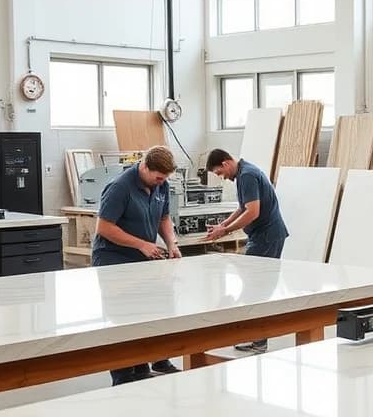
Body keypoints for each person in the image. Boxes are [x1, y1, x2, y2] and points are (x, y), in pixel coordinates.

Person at [92, 145, 183, 385]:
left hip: (143, 259)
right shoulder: (119, 187)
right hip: (114, 258)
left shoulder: (160, 185)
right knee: (123, 318)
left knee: (148, 313)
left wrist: (171, 243)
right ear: (144, 167)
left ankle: (146, 365)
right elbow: (104, 228)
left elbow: (163, 218)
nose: (161, 182)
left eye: (164, 179)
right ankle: (122, 375)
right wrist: (142, 244)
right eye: (158, 177)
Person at [204, 148, 289, 354]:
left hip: (267, 237)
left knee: (256, 288)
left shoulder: (248, 175)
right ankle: (257, 337)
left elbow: (253, 212)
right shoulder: (244, 173)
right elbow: (243, 207)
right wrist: (223, 225)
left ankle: (258, 340)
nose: (222, 178)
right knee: (255, 286)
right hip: (263, 236)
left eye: (219, 173)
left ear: (226, 164)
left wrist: (226, 230)